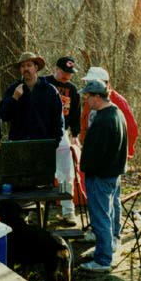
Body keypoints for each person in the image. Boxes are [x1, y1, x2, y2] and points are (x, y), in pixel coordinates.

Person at [80, 67, 139, 249]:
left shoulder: (116, 104)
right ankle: (103, 237)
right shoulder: (95, 104)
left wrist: (122, 155)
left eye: (88, 91)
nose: (86, 98)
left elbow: (131, 130)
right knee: (105, 205)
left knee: (109, 204)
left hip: (109, 165)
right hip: (102, 161)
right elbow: (84, 124)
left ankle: (112, 238)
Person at [78, 80, 128, 272]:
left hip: (101, 176)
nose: (87, 100)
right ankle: (104, 249)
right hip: (111, 174)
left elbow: (96, 154)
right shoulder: (115, 112)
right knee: (108, 214)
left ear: (97, 97)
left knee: (100, 217)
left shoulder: (105, 120)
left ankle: (103, 260)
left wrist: (87, 169)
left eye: (88, 96)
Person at [0, 52, 64, 146]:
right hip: (19, 145)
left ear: (36, 68)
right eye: (22, 66)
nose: (26, 69)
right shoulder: (13, 90)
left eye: (29, 65)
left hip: (44, 145)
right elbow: (4, 115)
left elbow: (58, 120)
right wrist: (14, 98)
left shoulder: (49, 90)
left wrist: (55, 142)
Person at [45, 56, 81, 226]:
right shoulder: (44, 83)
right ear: (56, 69)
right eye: (65, 72)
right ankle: (37, 211)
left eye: (70, 73)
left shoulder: (72, 90)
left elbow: (75, 114)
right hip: (42, 134)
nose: (68, 76)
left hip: (63, 133)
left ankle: (68, 211)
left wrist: (76, 134)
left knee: (67, 173)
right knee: (41, 174)